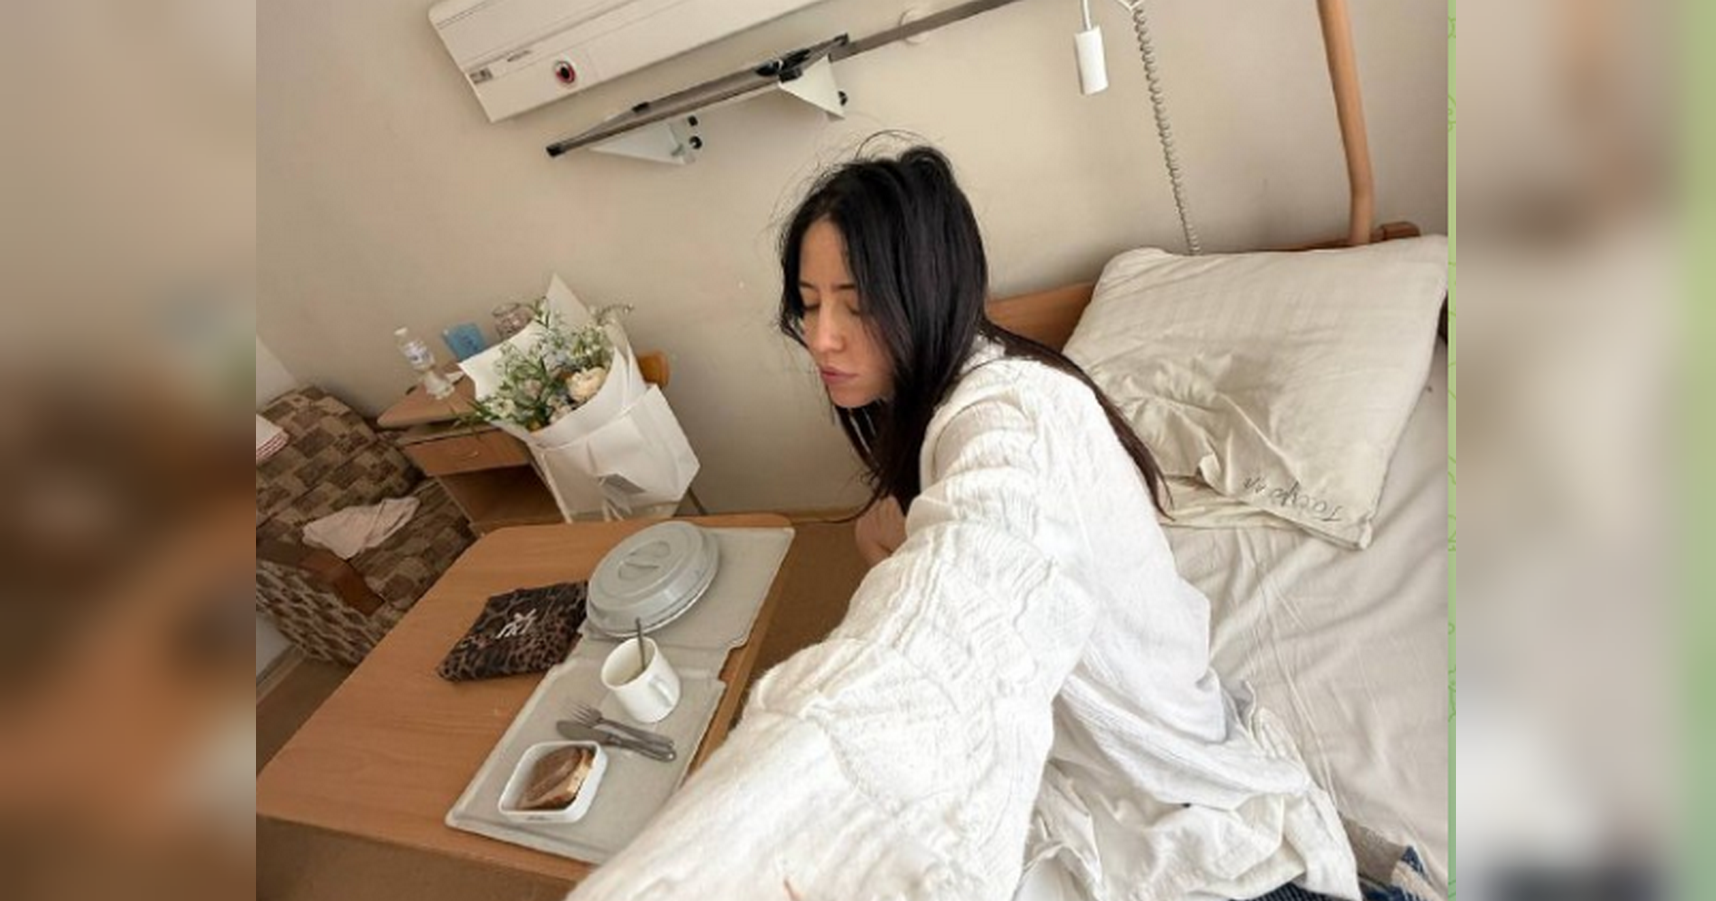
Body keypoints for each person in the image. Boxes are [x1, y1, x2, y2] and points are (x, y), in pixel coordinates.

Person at [566, 144, 1359, 901]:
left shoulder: (1013, 420)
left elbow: (966, 602)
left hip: (1180, 813)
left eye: (857, 303)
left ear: (930, 291)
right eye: (808, 303)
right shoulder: (959, 394)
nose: (821, 336)